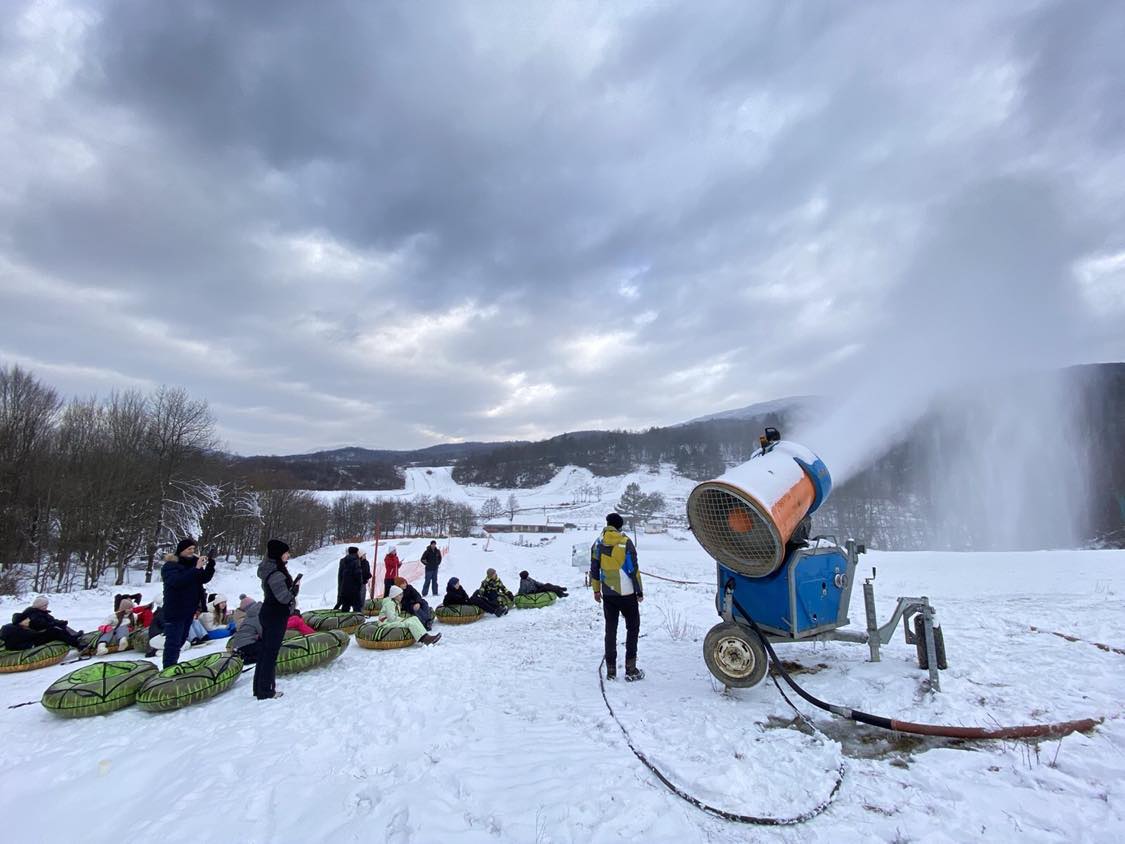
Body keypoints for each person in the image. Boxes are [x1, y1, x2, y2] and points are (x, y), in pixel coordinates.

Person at [591, 513, 644, 681]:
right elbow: (633, 569)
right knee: (633, 628)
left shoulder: (598, 543)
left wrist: (596, 590)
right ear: (620, 526)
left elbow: (594, 568)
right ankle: (630, 669)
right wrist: (639, 591)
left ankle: (611, 671)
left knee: (610, 630)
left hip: (608, 593)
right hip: (628, 593)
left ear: (607, 524)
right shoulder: (626, 542)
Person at [161, 537, 216, 669]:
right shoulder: (170, 566)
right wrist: (196, 568)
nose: (192, 551)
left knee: (181, 640)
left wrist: (210, 565)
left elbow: (203, 579)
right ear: (181, 550)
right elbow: (177, 581)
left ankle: (172, 666)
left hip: (189, 609)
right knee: (173, 642)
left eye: (193, 549)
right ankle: (168, 668)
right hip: (175, 609)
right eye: (189, 549)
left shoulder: (193, 564)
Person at [255, 538, 299, 700]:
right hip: (275, 615)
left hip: (269, 613)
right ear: (278, 554)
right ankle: (266, 691)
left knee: (265, 652)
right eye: (286, 552)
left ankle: (259, 688)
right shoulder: (276, 573)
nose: (288, 555)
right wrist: (295, 589)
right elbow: (284, 597)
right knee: (270, 654)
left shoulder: (269, 569)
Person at [1, 596, 85, 650]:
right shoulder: (17, 628)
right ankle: (76, 643)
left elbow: (48, 621)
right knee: (55, 631)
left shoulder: (22, 625)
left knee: (59, 627)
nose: (29, 622)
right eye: (27, 621)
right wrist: (53, 626)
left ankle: (74, 637)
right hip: (32, 642)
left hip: (33, 638)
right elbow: (36, 630)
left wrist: (58, 623)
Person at [443, 576, 507, 616]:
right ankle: (495, 611)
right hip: (464, 604)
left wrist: (466, 598)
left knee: (481, 598)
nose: (458, 584)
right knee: (479, 601)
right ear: (453, 585)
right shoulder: (450, 594)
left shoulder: (460, 588)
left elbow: (465, 594)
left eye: (458, 583)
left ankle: (498, 607)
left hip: (467, 601)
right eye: (457, 584)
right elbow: (445, 602)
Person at [335, 546, 370, 612]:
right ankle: (358, 619)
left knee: (346, 606)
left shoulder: (344, 560)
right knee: (357, 606)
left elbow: (341, 575)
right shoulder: (356, 561)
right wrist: (360, 583)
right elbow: (358, 575)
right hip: (354, 588)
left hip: (345, 587)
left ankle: (344, 619)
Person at [229, 598, 262, 664]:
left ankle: (246, 656)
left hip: (238, 646)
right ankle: (248, 658)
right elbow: (264, 633)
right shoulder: (257, 615)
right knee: (268, 648)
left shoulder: (249, 616)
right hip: (247, 645)